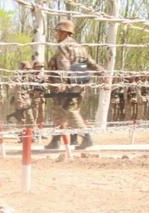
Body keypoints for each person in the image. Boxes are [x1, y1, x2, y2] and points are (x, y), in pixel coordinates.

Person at [44, 19, 105, 150]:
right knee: (59, 113)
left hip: (67, 86)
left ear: (63, 32)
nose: (56, 34)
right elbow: (90, 63)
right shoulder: (80, 47)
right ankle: (55, 140)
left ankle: (87, 137)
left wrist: (63, 84)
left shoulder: (62, 46)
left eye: (58, 32)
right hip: (80, 85)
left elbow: (64, 67)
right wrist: (103, 73)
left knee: (70, 111)